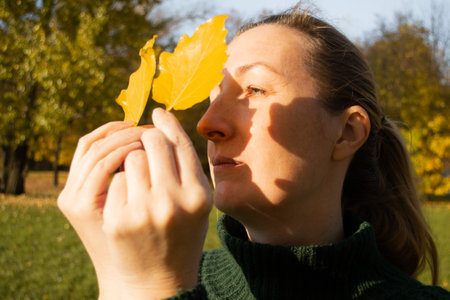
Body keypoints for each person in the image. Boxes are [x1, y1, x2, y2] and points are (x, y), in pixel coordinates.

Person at [57, 7, 450, 300]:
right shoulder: (176, 274)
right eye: (212, 98)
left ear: (347, 133)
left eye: (255, 91)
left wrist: (148, 288)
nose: (208, 124)